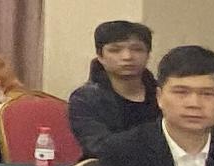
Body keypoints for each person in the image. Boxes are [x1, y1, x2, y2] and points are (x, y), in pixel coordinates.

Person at [68, 20, 159, 155]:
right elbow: (98, 146)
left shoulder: (164, 93)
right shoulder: (85, 98)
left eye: (137, 49)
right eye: (115, 50)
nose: (127, 57)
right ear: (100, 56)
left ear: (148, 54)